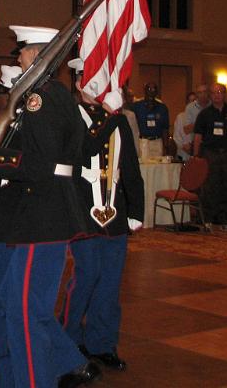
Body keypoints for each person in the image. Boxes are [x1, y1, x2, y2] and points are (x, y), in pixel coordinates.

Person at [0, 26, 97, 388]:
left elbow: (39, 165)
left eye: (22, 52)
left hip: (44, 215)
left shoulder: (42, 97)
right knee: (15, 307)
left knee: (26, 313)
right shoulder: (38, 96)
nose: (18, 58)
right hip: (31, 215)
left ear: (37, 56)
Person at [60, 58, 144, 373]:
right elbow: (86, 150)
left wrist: (135, 210)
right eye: (92, 79)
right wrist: (109, 116)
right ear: (79, 81)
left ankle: (102, 343)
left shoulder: (119, 120)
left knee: (110, 283)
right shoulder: (70, 116)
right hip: (82, 213)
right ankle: (67, 340)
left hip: (115, 216)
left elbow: (131, 168)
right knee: (85, 278)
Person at [193, 83, 227, 232]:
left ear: (225, 94)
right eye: (214, 93)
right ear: (210, 95)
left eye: (220, 92)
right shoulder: (204, 114)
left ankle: (226, 221)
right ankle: (208, 220)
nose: (217, 95)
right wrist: (197, 157)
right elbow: (197, 136)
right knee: (209, 187)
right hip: (210, 153)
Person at [132, 82, 169, 158]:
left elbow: (165, 128)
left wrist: (166, 146)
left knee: (158, 166)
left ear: (156, 92)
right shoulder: (137, 106)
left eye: (154, 89)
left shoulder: (162, 108)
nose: (151, 91)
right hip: (143, 141)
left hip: (157, 141)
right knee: (144, 166)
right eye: (149, 89)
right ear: (144, 91)